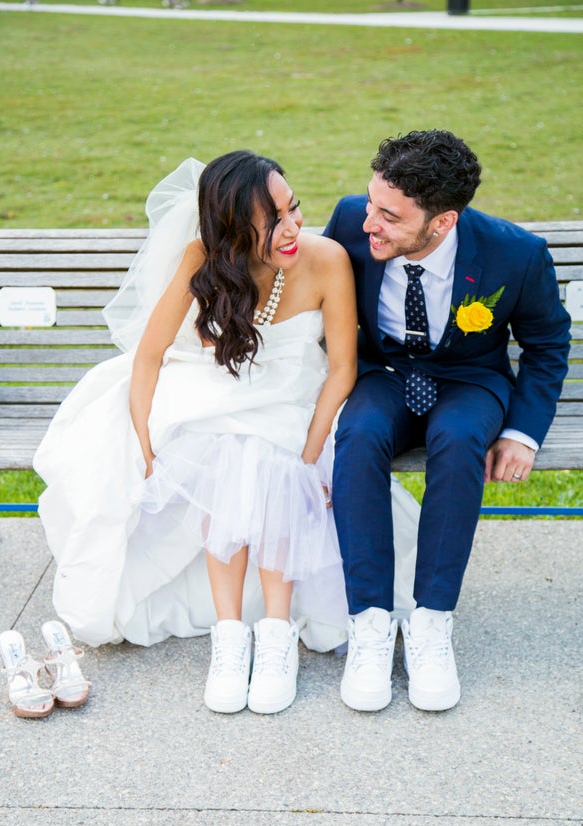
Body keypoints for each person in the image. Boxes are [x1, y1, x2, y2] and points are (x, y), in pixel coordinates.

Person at [34, 150, 420, 716]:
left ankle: (276, 636)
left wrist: (312, 455)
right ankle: (230, 637)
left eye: (295, 209)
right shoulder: (202, 259)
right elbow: (149, 357)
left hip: (296, 400)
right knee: (230, 451)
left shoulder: (327, 259)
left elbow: (342, 369)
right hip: (221, 392)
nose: (292, 229)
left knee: (270, 459)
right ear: (235, 230)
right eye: (274, 222)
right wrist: (144, 442)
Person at [324, 129, 571, 713]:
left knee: (460, 441)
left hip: (467, 381)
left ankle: (432, 622)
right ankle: (371, 622)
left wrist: (521, 432)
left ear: (442, 222)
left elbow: (546, 342)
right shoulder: (350, 221)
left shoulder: (516, 253)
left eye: (389, 215)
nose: (369, 224)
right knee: (355, 435)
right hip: (382, 374)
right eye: (371, 203)